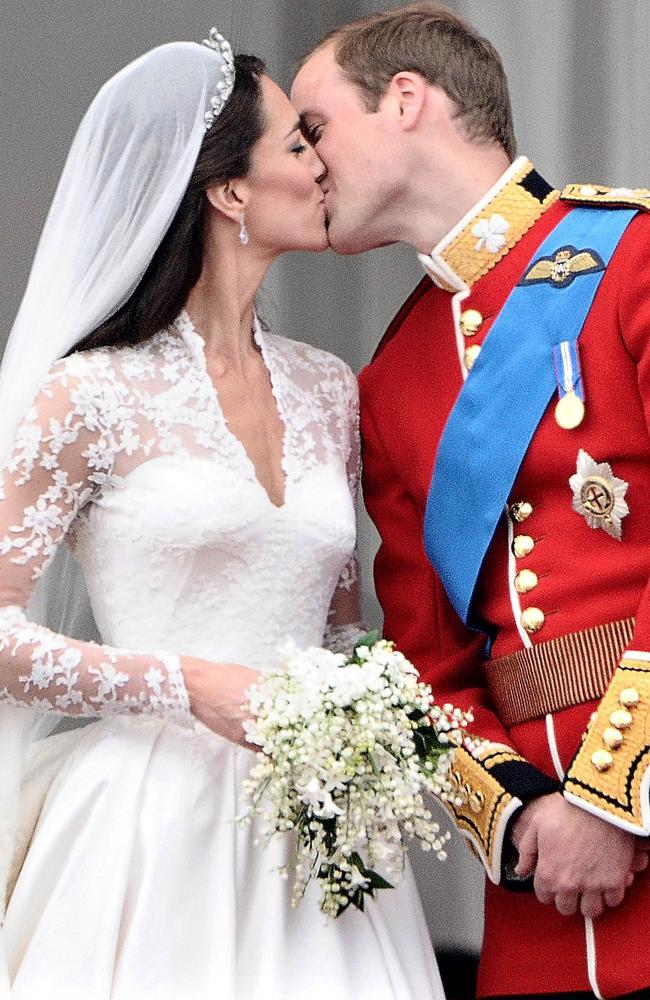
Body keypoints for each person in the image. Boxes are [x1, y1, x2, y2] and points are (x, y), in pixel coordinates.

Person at [0, 31, 444, 1000]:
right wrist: (182, 681)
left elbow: (335, 626)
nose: (322, 163)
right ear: (227, 190)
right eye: (296, 144)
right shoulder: (88, 397)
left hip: (321, 834)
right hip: (150, 830)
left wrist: (358, 720)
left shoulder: (329, 390)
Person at [291, 4, 650, 998]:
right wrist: (528, 812)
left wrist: (612, 797)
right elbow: (422, 658)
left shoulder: (628, 260)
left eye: (314, 128)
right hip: (539, 893)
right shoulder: (391, 374)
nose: (304, 163)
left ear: (404, 100)